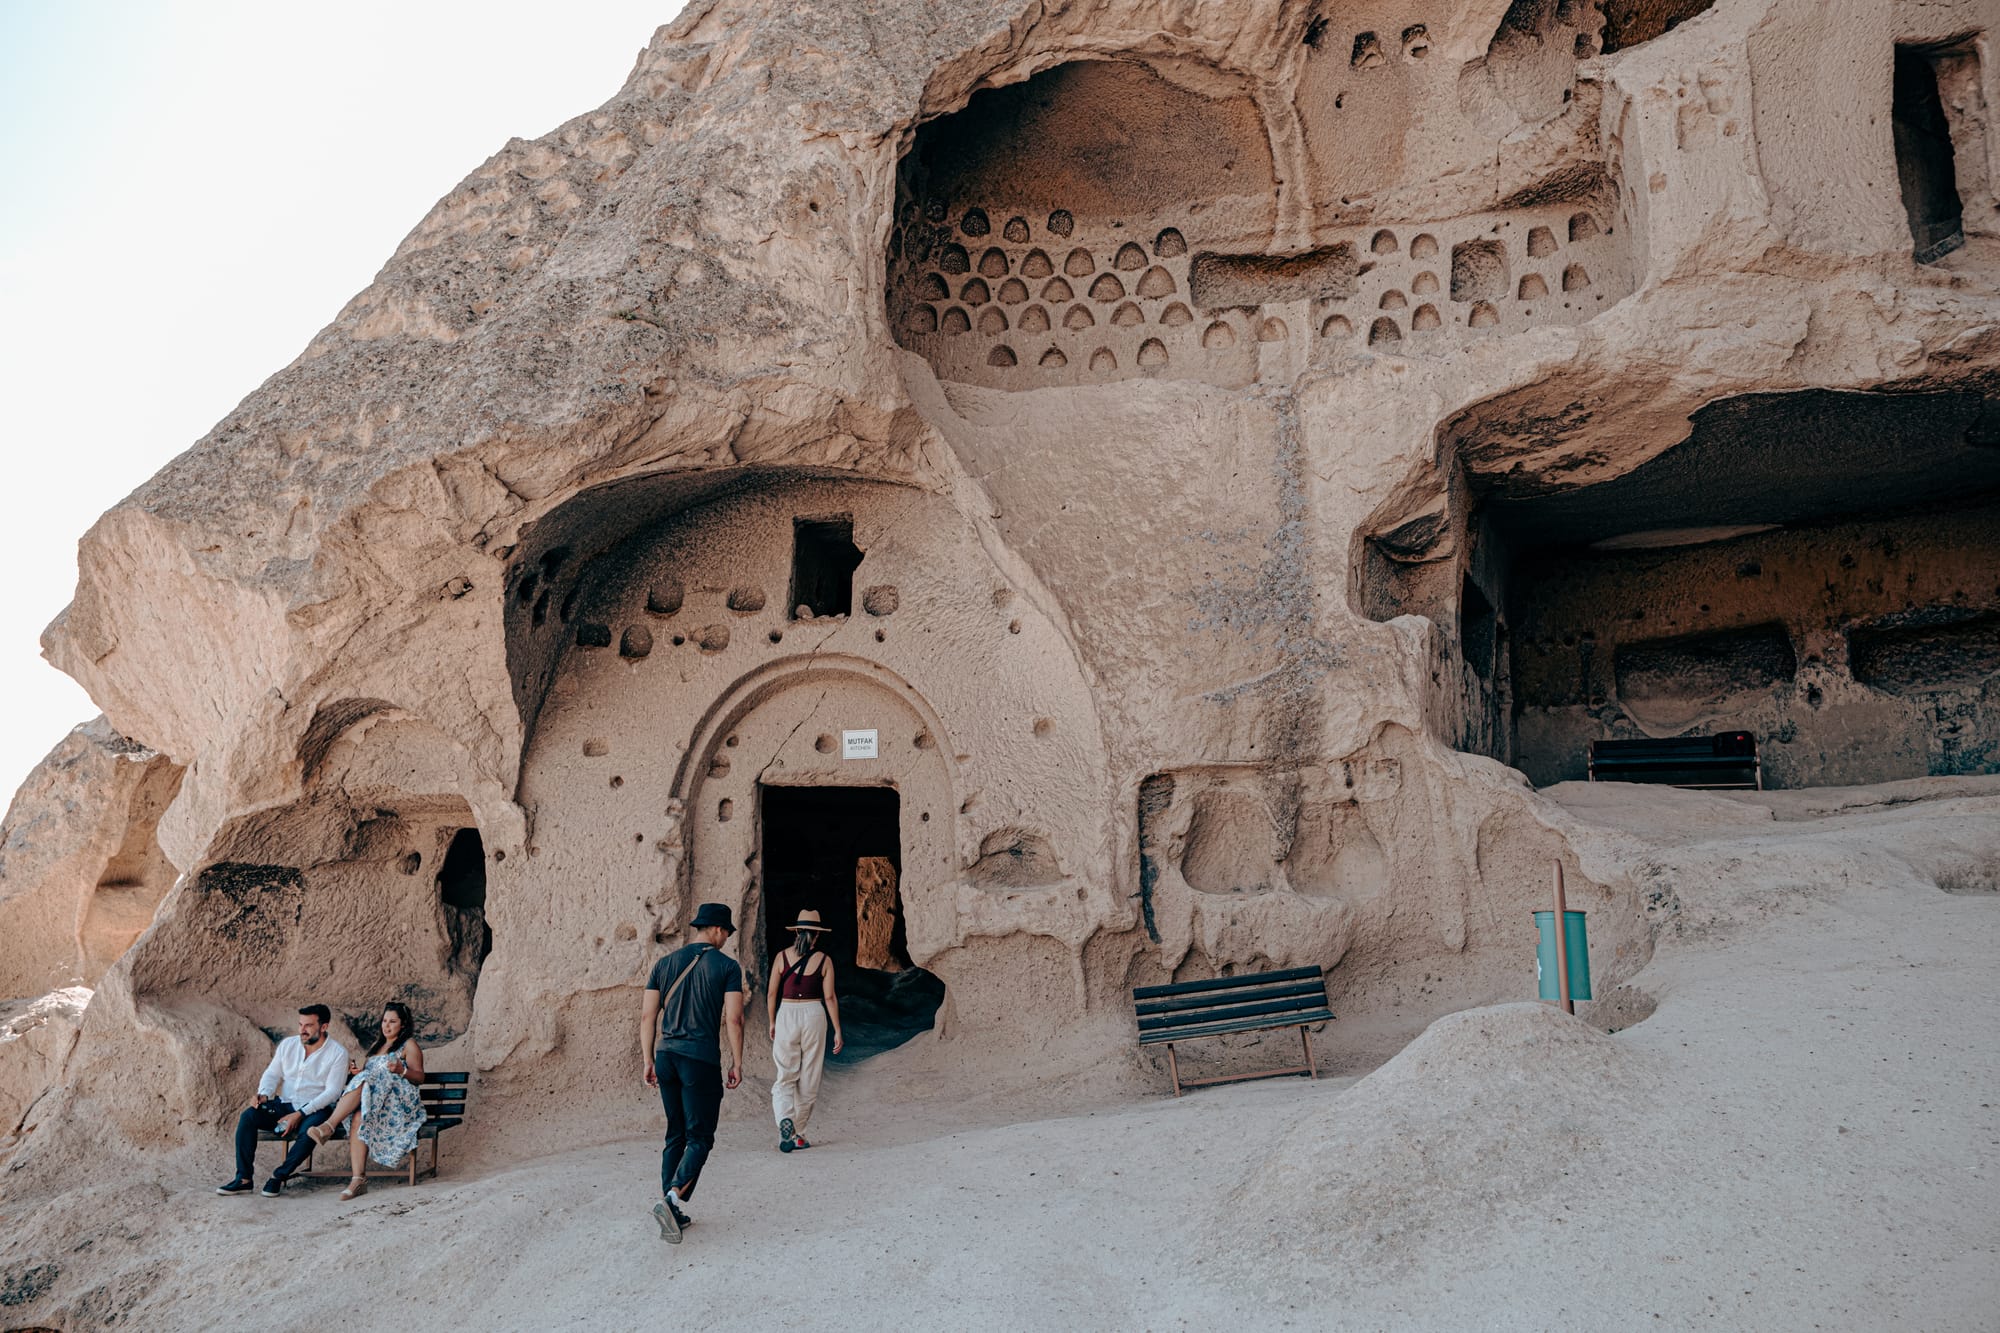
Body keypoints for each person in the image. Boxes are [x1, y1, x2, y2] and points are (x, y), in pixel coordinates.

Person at [639, 902, 745, 1243]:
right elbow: (734, 1018)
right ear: (716, 929)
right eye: (727, 931)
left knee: (676, 1133)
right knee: (700, 1136)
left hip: (666, 1055)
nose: (727, 938)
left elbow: (647, 1017)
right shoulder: (727, 968)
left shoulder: (664, 964)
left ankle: (673, 1209)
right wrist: (738, 1061)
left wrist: (647, 1060)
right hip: (699, 1059)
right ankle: (670, 1199)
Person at [218, 1003, 349, 1197]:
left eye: (308, 1026)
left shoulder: (338, 1053)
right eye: (300, 1024)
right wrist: (263, 1094)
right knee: (249, 1116)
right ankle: (244, 1179)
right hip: (285, 1104)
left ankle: (278, 1177)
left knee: (310, 1132)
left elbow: (333, 1093)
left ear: (324, 1027)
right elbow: (272, 1073)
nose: (302, 1030)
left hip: (316, 1108)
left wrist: (300, 1114)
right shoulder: (288, 1045)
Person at [307, 1000, 427, 1200]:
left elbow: (420, 1077)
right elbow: (373, 1076)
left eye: (392, 1022)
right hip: (377, 1100)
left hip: (399, 1102)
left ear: (403, 1025)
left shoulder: (409, 1045)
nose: (386, 1026)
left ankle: (328, 1126)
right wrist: (359, 1072)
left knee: (364, 1082)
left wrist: (401, 1070)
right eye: (384, 1021)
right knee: (358, 1117)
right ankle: (358, 1180)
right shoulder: (377, 1046)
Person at [765, 908, 844, 1153]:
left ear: (797, 931)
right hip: (814, 1014)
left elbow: (771, 993)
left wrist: (772, 1021)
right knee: (810, 1077)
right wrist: (837, 1030)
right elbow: (829, 997)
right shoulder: (824, 960)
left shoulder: (781, 957)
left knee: (785, 1075)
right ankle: (798, 1133)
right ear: (817, 936)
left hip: (787, 1012)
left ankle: (784, 1121)